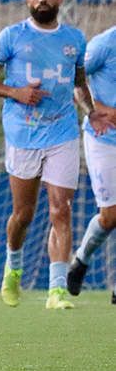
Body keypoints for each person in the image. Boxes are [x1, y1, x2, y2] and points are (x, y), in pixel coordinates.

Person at [0, 0, 102, 309]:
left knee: (61, 209)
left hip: (63, 133)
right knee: (24, 214)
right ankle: (12, 267)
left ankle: (57, 290)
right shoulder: (12, 36)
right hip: (23, 135)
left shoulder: (74, 39)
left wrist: (91, 110)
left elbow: (78, 83)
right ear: (28, 0)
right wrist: (14, 91)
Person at [67, 25, 116, 303]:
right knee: (110, 215)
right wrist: (94, 110)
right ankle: (81, 260)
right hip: (105, 138)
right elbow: (76, 78)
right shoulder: (104, 45)